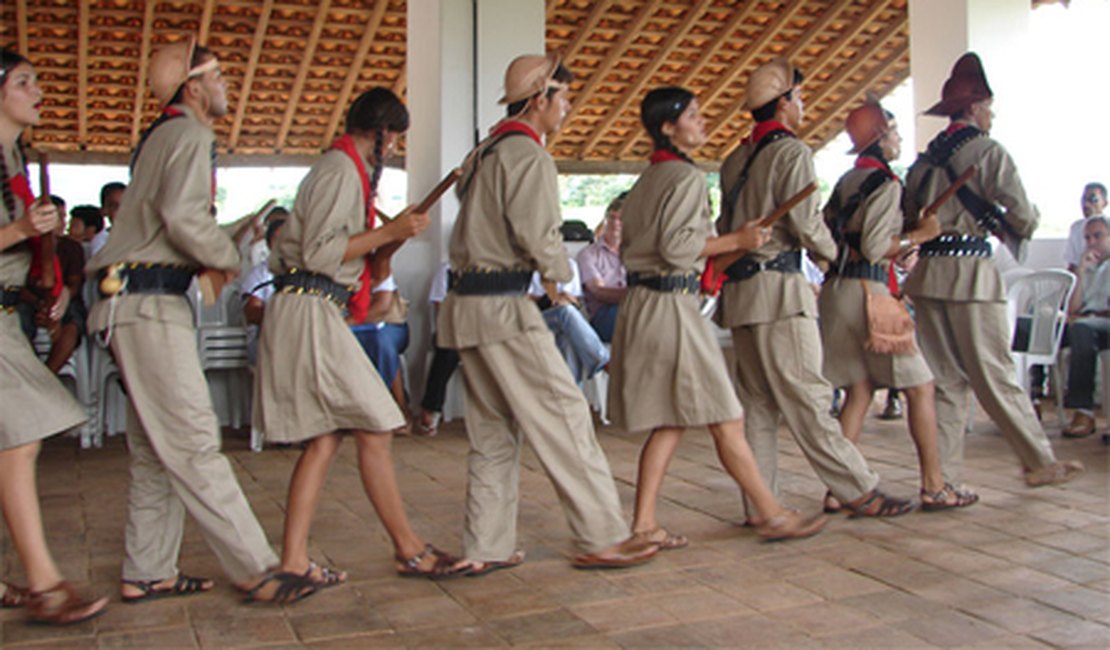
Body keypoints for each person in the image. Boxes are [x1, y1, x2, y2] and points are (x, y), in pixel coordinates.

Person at [88, 36, 312, 605]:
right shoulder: (190, 132)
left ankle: (148, 569)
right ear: (194, 86)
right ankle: (259, 567)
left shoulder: (160, 136)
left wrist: (230, 233)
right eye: (219, 76)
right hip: (148, 305)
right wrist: (228, 257)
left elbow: (165, 225)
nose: (225, 85)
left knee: (154, 447)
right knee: (192, 439)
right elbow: (182, 216)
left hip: (131, 302)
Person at [438, 53, 658, 574]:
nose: (569, 106)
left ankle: (486, 545)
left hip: (467, 308)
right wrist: (562, 281)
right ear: (540, 99)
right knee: (565, 412)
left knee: (492, 431)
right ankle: (600, 534)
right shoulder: (527, 156)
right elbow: (539, 235)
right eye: (563, 96)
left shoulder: (487, 152)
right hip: (503, 308)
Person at [254, 86, 462, 583]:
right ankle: (409, 550)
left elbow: (354, 257)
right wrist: (390, 232)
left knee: (325, 440)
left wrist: (392, 237)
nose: (394, 151)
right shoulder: (339, 170)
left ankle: (293, 561)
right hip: (308, 306)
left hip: (316, 308)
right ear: (383, 134)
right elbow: (321, 253)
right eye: (396, 140)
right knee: (375, 421)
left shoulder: (348, 172)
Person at [611, 86, 827, 546]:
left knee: (671, 420)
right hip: (672, 308)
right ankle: (771, 514)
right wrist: (738, 241)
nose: (702, 120)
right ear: (668, 127)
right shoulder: (685, 179)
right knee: (727, 417)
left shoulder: (644, 182)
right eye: (692, 115)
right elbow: (677, 248)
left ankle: (644, 525)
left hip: (645, 306)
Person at [717, 57, 912, 520]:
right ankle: (859, 489)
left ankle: (760, 506)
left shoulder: (735, 159)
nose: (802, 106)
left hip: (742, 295)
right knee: (808, 396)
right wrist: (833, 254)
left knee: (759, 405)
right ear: (784, 103)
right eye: (799, 97)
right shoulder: (793, 153)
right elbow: (806, 225)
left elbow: (727, 223)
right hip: (781, 291)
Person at [903, 52, 1083, 487]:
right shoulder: (988, 152)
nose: (992, 114)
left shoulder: (923, 162)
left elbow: (909, 220)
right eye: (988, 106)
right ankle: (1038, 461)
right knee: (995, 372)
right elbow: (1022, 216)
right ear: (973, 108)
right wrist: (1027, 217)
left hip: (929, 275)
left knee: (944, 382)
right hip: (970, 276)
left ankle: (942, 480)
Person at [819, 98, 978, 511]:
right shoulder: (887, 184)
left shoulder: (846, 183)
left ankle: (841, 489)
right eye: (893, 131)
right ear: (879, 138)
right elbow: (874, 247)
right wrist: (917, 238)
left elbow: (828, 234)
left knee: (858, 390)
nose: (899, 138)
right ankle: (934, 485)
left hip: (838, 291)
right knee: (921, 387)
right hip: (870, 296)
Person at [0, 46, 108, 625]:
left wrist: (47, 290)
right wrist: (18, 228)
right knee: (18, 441)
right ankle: (45, 585)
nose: (37, 90)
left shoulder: (13, 163)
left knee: (14, 441)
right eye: (24, 81)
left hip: (6, 317)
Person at [1060, 217, 1110, 437]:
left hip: (1104, 324)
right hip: (1084, 322)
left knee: (1082, 329)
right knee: (1029, 326)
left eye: (1098, 236)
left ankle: (1083, 411)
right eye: (1087, 237)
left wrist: (1085, 317)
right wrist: (1080, 272)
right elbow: (1073, 308)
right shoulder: (1089, 267)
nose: (1091, 242)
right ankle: (1031, 399)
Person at [528, 258, 609, 387]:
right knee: (565, 313)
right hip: (535, 318)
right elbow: (522, 299)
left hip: (562, 318)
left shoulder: (570, 264)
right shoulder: (524, 265)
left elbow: (576, 301)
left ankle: (572, 396)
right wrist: (551, 300)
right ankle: (602, 361)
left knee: (568, 336)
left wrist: (566, 298)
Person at [350, 274, 412, 432]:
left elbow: (381, 308)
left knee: (383, 344)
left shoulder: (379, 271)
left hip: (389, 325)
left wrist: (343, 323)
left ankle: (399, 409)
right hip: (354, 328)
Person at [577, 192, 628, 343]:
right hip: (604, 315)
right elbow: (598, 291)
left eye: (621, 219)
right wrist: (634, 296)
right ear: (605, 220)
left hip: (632, 309)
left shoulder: (636, 253)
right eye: (612, 218)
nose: (615, 223)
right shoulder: (588, 254)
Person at [416, 262, 455, 436]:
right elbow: (442, 309)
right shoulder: (448, 270)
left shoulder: (510, 266)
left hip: (497, 331)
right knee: (448, 345)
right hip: (457, 328)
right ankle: (432, 407)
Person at [240, 214, 285, 366]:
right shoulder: (260, 273)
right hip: (266, 339)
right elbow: (251, 312)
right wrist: (282, 314)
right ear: (269, 244)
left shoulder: (305, 272)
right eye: (277, 240)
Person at [1064, 183, 1108, 274]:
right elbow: (1072, 265)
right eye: (1083, 200)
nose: (1086, 204)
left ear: (1104, 203)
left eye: (1093, 199)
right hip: (1084, 281)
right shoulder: (1076, 228)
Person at [88, 181, 123, 257]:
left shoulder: (143, 236)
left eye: (127, 204)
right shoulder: (101, 241)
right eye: (115, 206)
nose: (122, 210)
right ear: (104, 211)